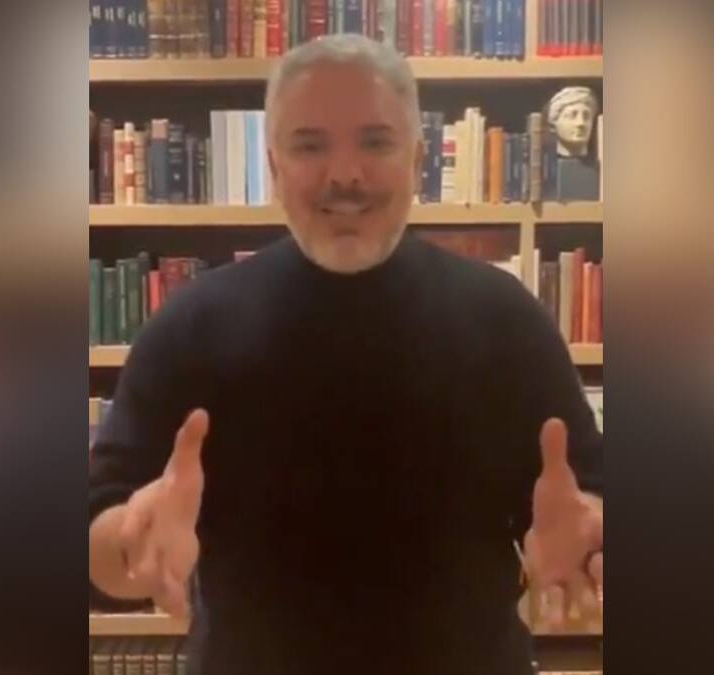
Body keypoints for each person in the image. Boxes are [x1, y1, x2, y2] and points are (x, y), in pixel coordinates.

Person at [88, 34, 603, 675]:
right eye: (310, 145)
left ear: (418, 158)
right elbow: (99, 529)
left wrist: (591, 536)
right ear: (274, 166)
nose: (345, 175)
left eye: (375, 142)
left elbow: (588, 494)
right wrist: (128, 546)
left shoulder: (506, 320)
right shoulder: (189, 327)